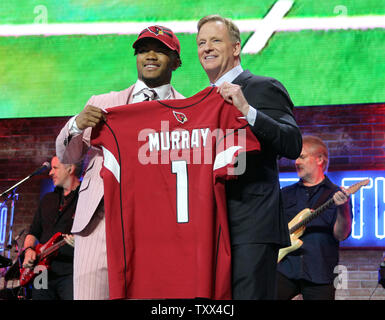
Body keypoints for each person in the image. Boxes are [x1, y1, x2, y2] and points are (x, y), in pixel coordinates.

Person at [56, 25, 184, 300]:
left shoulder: (187, 111)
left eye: (160, 50)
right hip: (99, 224)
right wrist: (76, 125)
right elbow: (68, 157)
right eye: (143, 50)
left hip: (157, 227)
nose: (150, 55)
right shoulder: (103, 103)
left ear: (176, 61)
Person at [196, 15, 302, 299]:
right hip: (210, 226)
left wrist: (247, 109)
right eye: (201, 42)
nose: (206, 48)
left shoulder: (262, 87)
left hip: (252, 227)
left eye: (215, 40)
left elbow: (292, 144)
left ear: (236, 48)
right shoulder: (200, 101)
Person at [276, 135, 352, 300]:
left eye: (301, 157)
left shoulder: (336, 194)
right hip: (285, 269)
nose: (296, 162)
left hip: (320, 273)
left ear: (319, 159)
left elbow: (341, 234)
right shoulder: (285, 194)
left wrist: (343, 207)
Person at [22, 156, 81, 300]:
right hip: (40, 270)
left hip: (69, 270)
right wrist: (29, 250)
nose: (50, 173)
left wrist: (80, 243)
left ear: (70, 168)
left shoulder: (84, 198)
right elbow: (33, 232)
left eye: (55, 168)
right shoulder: (48, 199)